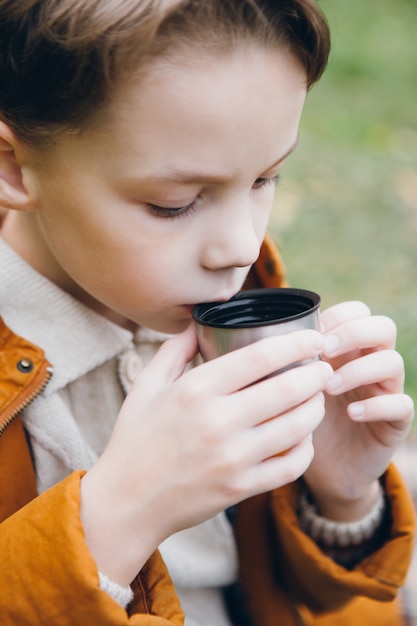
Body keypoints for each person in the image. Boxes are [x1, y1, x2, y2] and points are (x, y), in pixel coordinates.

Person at [0, 1, 414, 624]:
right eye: (175, 203)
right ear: (12, 165)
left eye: (265, 179)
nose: (242, 245)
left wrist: (340, 499)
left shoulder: (236, 294)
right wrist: (119, 514)